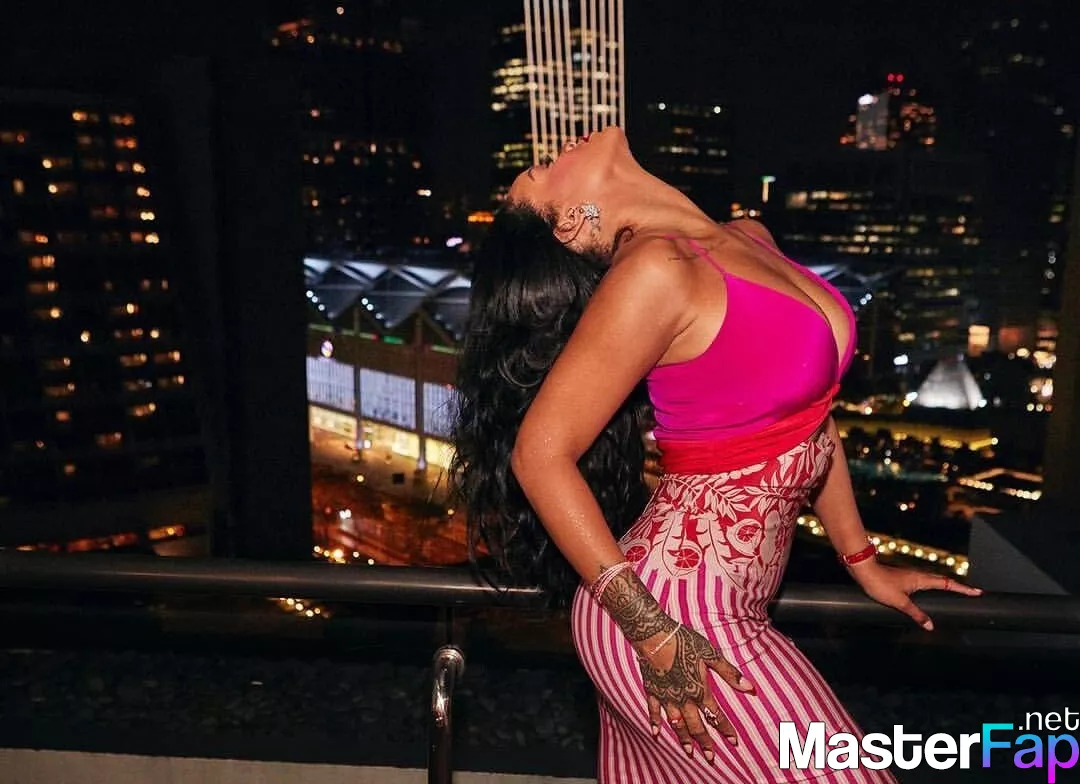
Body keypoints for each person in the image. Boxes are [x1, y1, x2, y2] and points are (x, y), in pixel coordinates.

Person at [451, 126, 982, 783]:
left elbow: (811, 424)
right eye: (543, 169)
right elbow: (539, 454)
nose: (560, 147)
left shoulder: (747, 236)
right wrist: (651, 632)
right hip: (672, 623)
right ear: (569, 223)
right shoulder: (654, 271)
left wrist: (862, 562)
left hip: (708, 613)